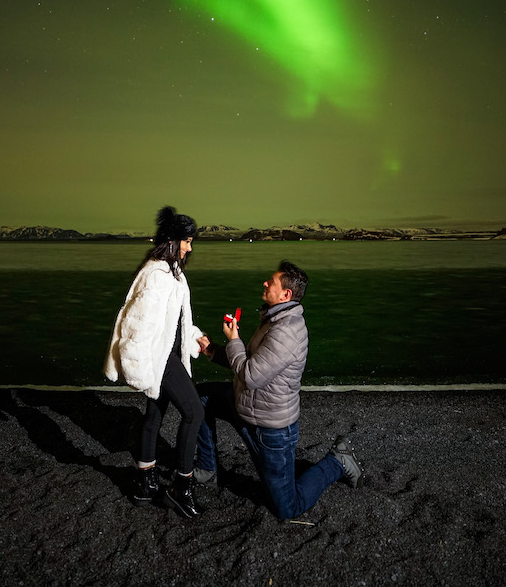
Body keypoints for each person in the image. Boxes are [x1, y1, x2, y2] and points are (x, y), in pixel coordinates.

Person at [195, 261, 363, 520]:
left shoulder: (286, 332)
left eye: (270, 282)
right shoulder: (274, 319)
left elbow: (250, 375)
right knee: (200, 398)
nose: (265, 283)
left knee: (287, 508)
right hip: (245, 406)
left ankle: (337, 462)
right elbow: (251, 361)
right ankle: (207, 468)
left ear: (286, 295)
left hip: (270, 428)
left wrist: (234, 340)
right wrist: (213, 351)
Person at [104, 206, 206, 518]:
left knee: (154, 417)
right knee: (194, 412)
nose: (190, 247)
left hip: (168, 354)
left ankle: (145, 484)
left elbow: (173, 323)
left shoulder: (171, 271)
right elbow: (136, 324)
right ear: (173, 241)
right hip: (159, 360)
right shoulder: (157, 275)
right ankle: (180, 487)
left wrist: (196, 338)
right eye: (187, 241)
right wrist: (138, 368)